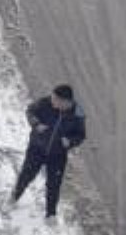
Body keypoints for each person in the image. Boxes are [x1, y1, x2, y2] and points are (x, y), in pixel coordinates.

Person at [10, 84, 86, 221]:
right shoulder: (44, 103)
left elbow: (80, 135)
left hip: (57, 155)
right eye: (52, 97)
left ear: (66, 102)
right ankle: (14, 197)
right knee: (26, 175)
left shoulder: (77, 114)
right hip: (36, 148)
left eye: (56, 99)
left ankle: (50, 214)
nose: (52, 100)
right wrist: (36, 124)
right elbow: (30, 111)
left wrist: (70, 141)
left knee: (54, 185)